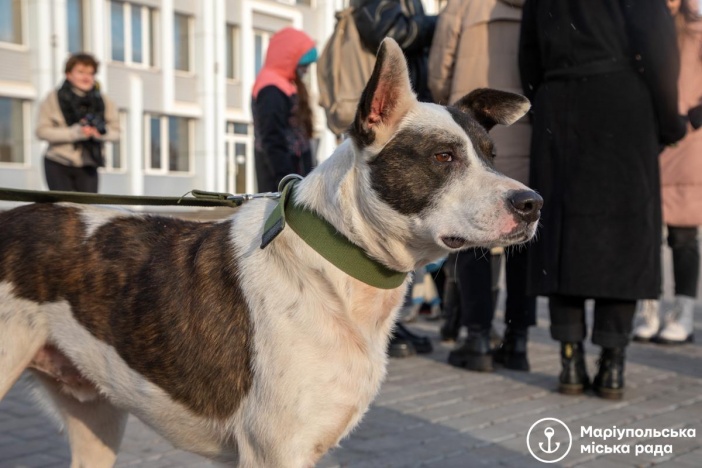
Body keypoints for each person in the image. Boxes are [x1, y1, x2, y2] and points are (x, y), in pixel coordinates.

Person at [519, 0, 687, 399]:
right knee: (623, 234)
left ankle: (570, 358)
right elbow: (660, 48)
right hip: (621, 105)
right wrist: (668, 122)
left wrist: (543, 107)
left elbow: (528, 56)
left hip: (557, 106)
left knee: (561, 232)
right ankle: (612, 363)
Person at [428, 0, 536, 373]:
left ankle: (476, 337)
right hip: (521, 125)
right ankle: (518, 341)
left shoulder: (464, 4)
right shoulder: (538, 6)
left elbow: (440, 66)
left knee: (470, 228)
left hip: (469, 128)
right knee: (521, 229)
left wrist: (449, 111)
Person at [351, 0, 437, 357]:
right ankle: (378, 326)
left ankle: (390, 324)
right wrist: (437, 24)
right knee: (381, 230)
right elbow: (386, 36)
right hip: (388, 112)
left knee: (405, 234)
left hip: (410, 108)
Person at [634, 0, 702, 345]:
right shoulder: (642, 17)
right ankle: (648, 308)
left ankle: (684, 312)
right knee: (647, 230)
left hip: (689, 139)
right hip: (649, 135)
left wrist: (696, 114)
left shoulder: (695, 25)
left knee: (684, 232)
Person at [36, 53, 119, 193]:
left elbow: (116, 133)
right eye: (80, 72)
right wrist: (76, 133)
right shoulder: (53, 98)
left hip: (89, 163)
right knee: (63, 209)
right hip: (58, 162)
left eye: (90, 73)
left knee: (87, 209)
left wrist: (99, 133)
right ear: (68, 74)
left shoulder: (104, 101)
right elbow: (41, 131)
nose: (86, 77)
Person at [252, 27, 317, 193]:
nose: (306, 70)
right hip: (281, 183)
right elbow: (272, 140)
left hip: (294, 176)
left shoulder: (284, 85)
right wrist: (287, 183)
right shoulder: (271, 90)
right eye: (304, 65)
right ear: (289, 60)